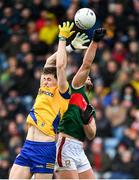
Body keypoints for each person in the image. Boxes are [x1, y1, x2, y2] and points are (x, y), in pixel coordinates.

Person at [9, 22, 90, 179]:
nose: (44, 81)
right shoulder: (43, 88)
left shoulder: (62, 92)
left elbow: (59, 66)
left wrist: (62, 38)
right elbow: (50, 62)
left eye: (48, 79)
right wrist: (70, 47)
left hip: (45, 148)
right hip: (28, 147)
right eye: (43, 78)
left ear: (57, 80)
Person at [55, 27, 106, 179]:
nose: (88, 76)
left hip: (79, 149)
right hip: (66, 144)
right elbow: (86, 64)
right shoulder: (76, 88)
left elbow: (91, 134)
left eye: (89, 77)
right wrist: (95, 42)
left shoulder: (88, 106)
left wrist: (85, 122)